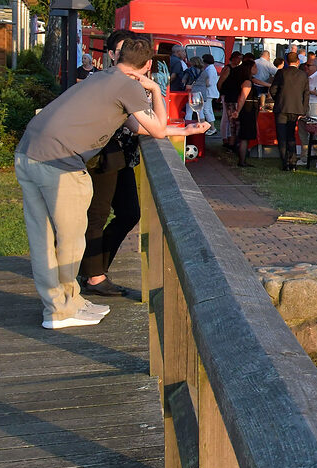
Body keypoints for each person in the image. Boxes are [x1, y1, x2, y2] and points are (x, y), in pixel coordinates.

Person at [14, 37, 191, 329]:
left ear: (118, 56)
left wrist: (184, 130)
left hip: (27, 154)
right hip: (59, 164)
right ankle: (59, 311)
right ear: (148, 65)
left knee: (42, 238)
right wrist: (156, 89)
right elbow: (157, 130)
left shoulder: (103, 77)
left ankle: (64, 302)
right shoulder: (129, 86)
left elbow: (137, 126)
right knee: (70, 240)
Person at [77, 30, 148, 300]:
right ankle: (95, 275)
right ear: (111, 55)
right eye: (121, 51)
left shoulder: (131, 83)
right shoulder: (101, 80)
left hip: (124, 156)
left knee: (130, 213)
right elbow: (135, 121)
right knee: (97, 214)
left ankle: (93, 267)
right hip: (103, 154)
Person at [270, 50, 309, 172]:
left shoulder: (281, 73)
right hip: (296, 108)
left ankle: (285, 162)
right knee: (291, 135)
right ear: (298, 61)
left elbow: (273, 89)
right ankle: (293, 161)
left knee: (282, 136)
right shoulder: (303, 75)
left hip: (281, 107)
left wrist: (278, 99)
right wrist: (303, 110)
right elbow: (306, 94)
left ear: (286, 61)